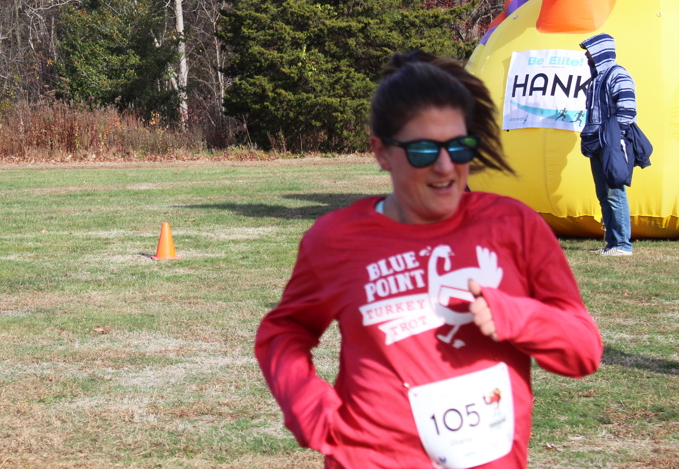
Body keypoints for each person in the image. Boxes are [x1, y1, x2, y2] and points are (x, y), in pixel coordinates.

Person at [255, 51, 602, 469]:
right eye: (423, 150)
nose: (445, 167)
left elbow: (583, 351)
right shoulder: (335, 239)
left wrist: (517, 316)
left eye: (459, 147)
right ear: (382, 152)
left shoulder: (513, 226)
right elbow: (285, 331)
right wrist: (309, 408)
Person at [579, 33, 636, 256]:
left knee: (615, 193)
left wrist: (615, 137)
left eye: (589, 51)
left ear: (600, 52)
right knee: (603, 195)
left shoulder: (618, 75)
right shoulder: (595, 79)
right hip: (596, 143)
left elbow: (628, 109)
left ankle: (622, 245)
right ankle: (611, 243)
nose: (586, 56)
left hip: (611, 144)